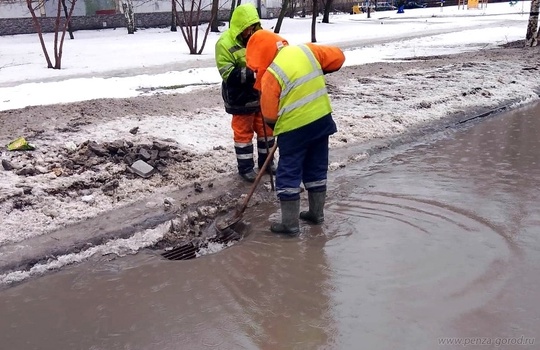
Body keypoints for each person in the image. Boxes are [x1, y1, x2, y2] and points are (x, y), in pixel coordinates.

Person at [245, 30, 345, 235]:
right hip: (321, 121)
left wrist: (278, 131)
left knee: (289, 172)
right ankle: (316, 214)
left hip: (294, 130)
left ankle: (290, 225)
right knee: (316, 167)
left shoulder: (271, 74)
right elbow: (338, 57)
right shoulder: (306, 50)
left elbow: (270, 115)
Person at [214, 3, 275, 183]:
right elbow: (228, 74)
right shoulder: (224, 44)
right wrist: (253, 73)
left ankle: (267, 164)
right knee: (243, 135)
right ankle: (246, 168)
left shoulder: (259, 38)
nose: (250, 33)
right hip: (239, 98)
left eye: (253, 28)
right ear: (240, 27)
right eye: (247, 29)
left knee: (267, 131)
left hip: (259, 95)